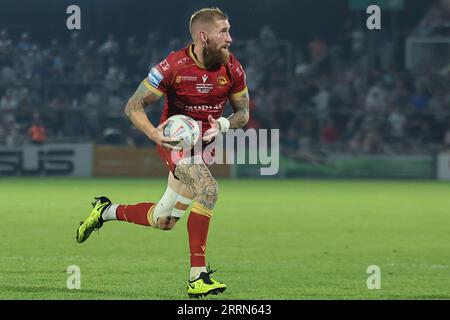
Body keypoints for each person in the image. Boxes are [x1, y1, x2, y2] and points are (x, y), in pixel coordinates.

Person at [75, 7, 249, 298]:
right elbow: (133, 105)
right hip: (175, 145)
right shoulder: (174, 66)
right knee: (208, 190)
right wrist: (154, 133)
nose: (230, 38)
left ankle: (105, 211)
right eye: (224, 31)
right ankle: (198, 278)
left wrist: (224, 124)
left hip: (202, 147)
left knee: (163, 220)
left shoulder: (232, 68)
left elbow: (243, 112)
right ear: (204, 36)